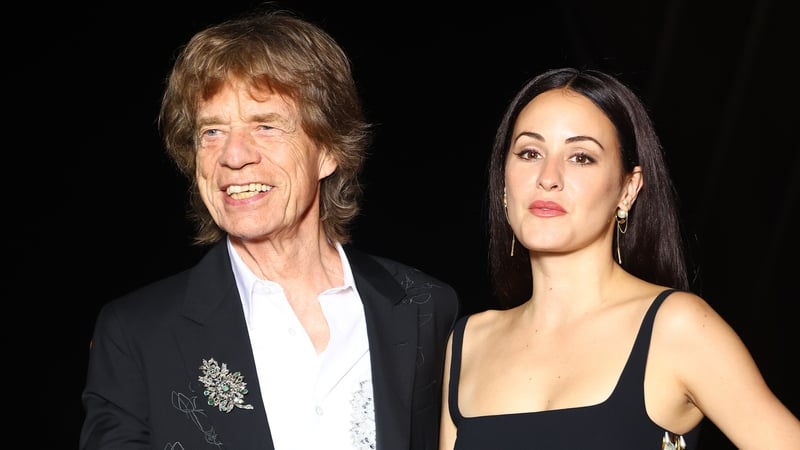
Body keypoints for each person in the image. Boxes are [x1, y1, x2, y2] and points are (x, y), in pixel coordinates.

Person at [80, 7, 460, 450]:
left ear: (329, 151)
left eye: (265, 125)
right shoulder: (136, 334)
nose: (234, 155)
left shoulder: (427, 309)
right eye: (212, 132)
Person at [438, 67, 800, 449]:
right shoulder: (467, 343)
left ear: (628, 189)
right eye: (530, 153)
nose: (548, 176)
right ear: (504, 183)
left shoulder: (676, 328)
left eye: (581, 157)